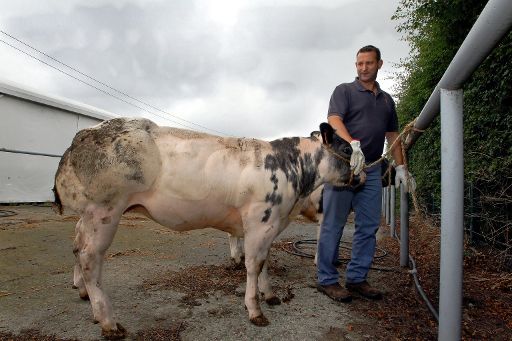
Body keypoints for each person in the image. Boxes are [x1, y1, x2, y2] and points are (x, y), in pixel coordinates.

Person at [316, 45, 414, 302]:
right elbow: (334, 120)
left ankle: (357, 277)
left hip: (371, 169)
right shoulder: (344, 91)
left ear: (379, 64)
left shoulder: (386, 100)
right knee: (333, 224)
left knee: (368, 226)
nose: (363, 68)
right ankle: (326, 280)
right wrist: (353, 144)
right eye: (359, 63)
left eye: (369, 63)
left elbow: (393, 136)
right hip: (344, 168)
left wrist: (401, 167)